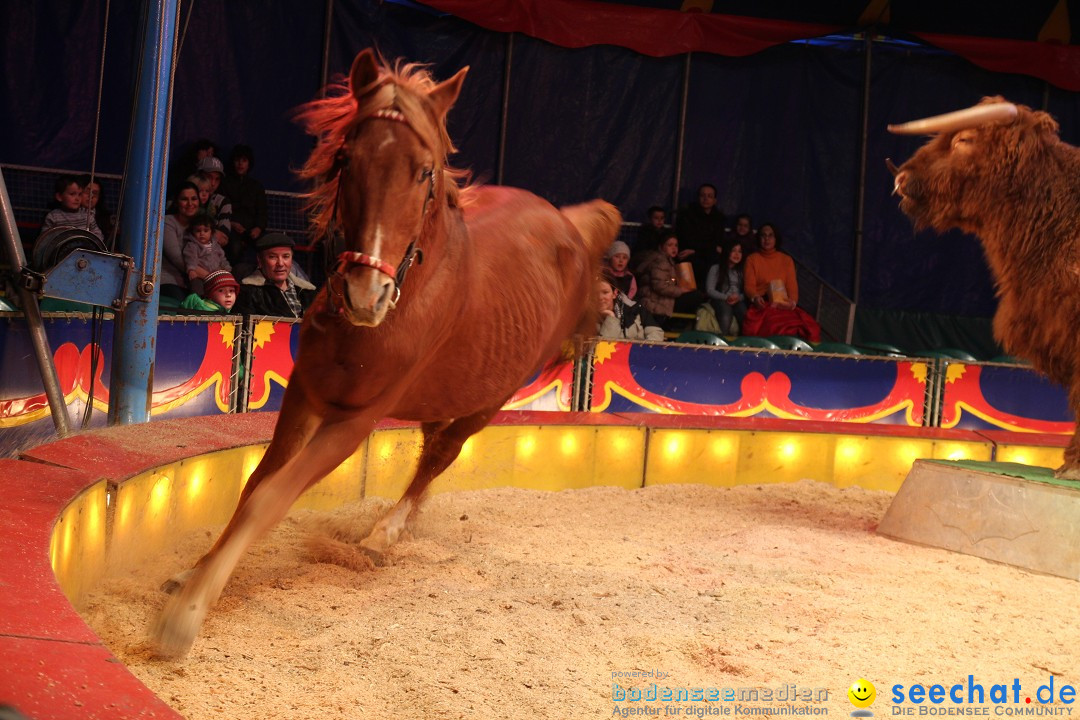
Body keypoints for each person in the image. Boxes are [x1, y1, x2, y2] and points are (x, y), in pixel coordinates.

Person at [741, 222, 821, 342]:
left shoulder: (786, 260)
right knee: (774, 326)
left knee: (809, 328)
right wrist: (755, 298)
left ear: (776, 239)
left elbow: (792, 287)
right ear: (759, 238)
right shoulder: (752, 259)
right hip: (763, 304)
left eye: (770, 235)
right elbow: (749, 287)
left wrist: (791, 303)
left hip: (784, 304)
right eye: (763, 235)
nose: (767, 239)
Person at [236, 232, 316, 317]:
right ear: (260, 260)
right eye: (272, 257)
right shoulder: (247, 292)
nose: (280, 263)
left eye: (286, 256)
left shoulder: (308, 291)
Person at [634, 231, 698, 329]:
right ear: (661, 247)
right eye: (670, 245)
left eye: (676, 245)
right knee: (694, 297)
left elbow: (667, 281)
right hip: (654, 302)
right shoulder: (660, 262)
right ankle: (675, 325)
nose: (674, 248)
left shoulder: (668, 261)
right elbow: (660, 285)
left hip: (660, 300)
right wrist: (680, 290)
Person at [221, 144, 268, 276]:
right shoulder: (225, 183)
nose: (240, 164)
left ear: (249, 163)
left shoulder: (256, 186)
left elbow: (262, 211)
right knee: (234, 247)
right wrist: (231, 223)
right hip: (231, 229)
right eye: (237, 160)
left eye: (244, 160)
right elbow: (221, 209)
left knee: (268, 245)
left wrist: (258, 228)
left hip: (253, 230)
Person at [675, 183, 725, 289]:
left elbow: (718, 243)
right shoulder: (687, 215)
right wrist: (706, 248)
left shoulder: (719, 218)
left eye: (709, 196)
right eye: (703, 195)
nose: (705, 198)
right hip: (690, 256)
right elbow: (687, 240)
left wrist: (695, 250)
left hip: (708, 255)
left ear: (715, 200)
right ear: (698, 197)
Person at [596, 268, 663, 342]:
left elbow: (656, 334)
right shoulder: (587, 319)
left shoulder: (636, 310)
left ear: (615, 293)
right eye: (595, 293)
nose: (600, 297)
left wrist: (641, 351)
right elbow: (605, 347)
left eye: (605, 292)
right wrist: (611, 317)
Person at [160, 182, 201, 302]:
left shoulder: (202, 226)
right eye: (184, 199)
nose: (190, 204)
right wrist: (212, 276)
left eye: (194, 199)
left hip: (195, 282)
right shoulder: (168, 222)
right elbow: (179, 260)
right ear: (177, 202)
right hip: (169, 281)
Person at [705, 239, 748, 335]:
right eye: (733, 250)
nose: (737, 254)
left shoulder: (742, 271)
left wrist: (738, 297)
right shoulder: (716, 268)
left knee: (745, 314)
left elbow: (747, 291)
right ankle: (722, 344)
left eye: (739, 251)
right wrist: (726, 297)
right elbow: (710, 290)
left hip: (737, 300)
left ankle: (743, 344)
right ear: (727, 251)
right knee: (726, 313)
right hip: (720, 299)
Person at [42, 174, 103, 241]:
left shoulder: (87, 215)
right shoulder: (53, 216)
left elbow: (98, 235)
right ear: (59, 196)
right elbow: (45, 239)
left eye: (79, 194)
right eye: (72, 194)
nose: (77, 198)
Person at [182, 212, 230, 295]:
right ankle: (198, 303)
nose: (202, 234)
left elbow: (222, 258)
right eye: (198, 231)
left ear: (211, 232)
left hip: (216, 274)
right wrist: (191, 269)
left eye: (206, 230)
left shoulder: (215, 245)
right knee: (196, 284)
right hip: (200, 276)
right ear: (192, 232)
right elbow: (190, 258)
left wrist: (227, 269)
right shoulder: (192, 245)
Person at [196, 156, 233, 247]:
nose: (213, 183)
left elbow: (223, 237)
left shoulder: (223, 201)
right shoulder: (187, 196)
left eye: (217, 179)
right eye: (209, 177)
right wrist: (213, 232)